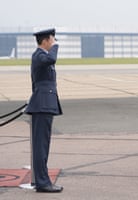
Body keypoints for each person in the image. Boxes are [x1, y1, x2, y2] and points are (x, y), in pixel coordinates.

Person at [25, 28, 63, 192]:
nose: (53, 43)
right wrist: (56, 47)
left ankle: (43, 180)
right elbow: (51, 59)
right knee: (41, 146)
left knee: (43, 145)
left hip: (44, 104)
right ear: (46, 40)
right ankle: (42, 183)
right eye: (52, 40)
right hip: (42, 105)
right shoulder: (40, 55)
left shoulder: (41, 56)